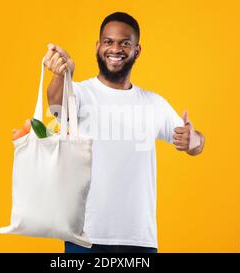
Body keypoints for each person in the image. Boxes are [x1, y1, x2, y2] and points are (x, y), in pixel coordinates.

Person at [43, 12, 205, 253]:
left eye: (124, 43)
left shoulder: (154, 103)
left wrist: (194, 139)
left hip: (139, 239)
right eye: (108, 41)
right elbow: (56, 107)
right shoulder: (80, 93)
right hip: (84, 236)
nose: (115, 49)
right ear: (98, 46)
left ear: (137, 51)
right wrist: (61, 74)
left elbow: (196, 145)